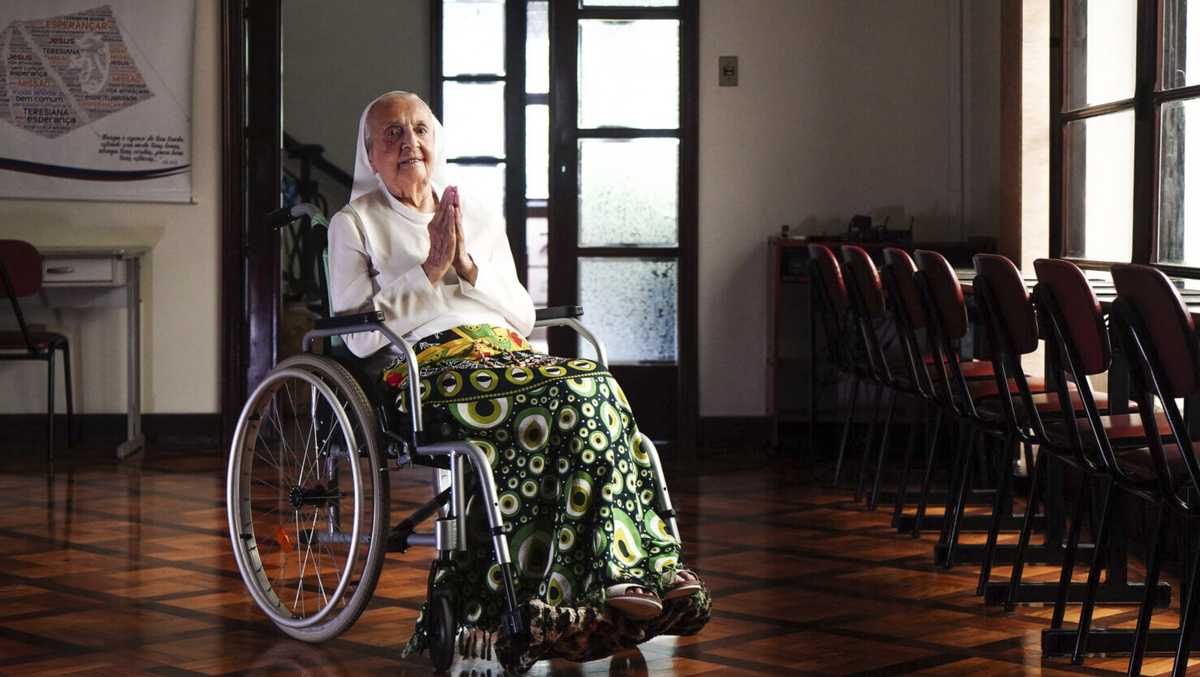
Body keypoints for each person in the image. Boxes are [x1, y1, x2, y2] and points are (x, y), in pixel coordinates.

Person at [328, 91, 709, 671]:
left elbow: (522, 314)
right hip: (425, 371)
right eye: (393, 135)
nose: (410, 143)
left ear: (438, 141)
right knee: (568, 394)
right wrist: (428, 269)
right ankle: (597, 580)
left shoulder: (475, 212)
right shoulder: (353, 223)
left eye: (420, 130)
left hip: (503, 357)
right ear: (370, 156)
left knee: (590, 384)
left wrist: (468, 269)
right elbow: (357, 336)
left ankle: (638, 570)